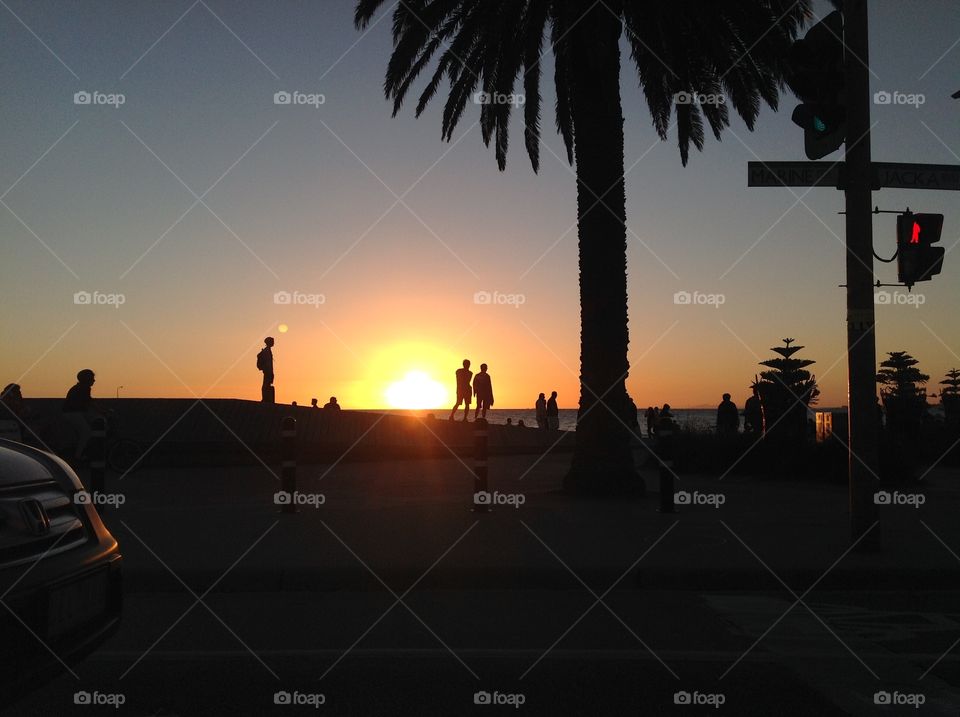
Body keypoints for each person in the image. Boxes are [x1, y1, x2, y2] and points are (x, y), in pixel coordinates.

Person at [62, 369, 104, 461]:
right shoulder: (83, 388)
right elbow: (89, 403)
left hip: (75, 413)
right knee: (86, 433)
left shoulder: (80, 387)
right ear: (87, 379)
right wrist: (102, 411)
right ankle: (78, 456)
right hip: (72, 414)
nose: (94, 380)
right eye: (92, 378)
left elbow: (89, 401)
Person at [257, 337, 275, 403]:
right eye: (272, 341)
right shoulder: (267, 351)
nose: (273, 343)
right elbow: (268, 363)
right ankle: (265, 398)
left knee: (267, 384)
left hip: (268, 370)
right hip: (267, 370)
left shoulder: (267, 350)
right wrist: (270, 371)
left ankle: (266, 398)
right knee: (266, 384)